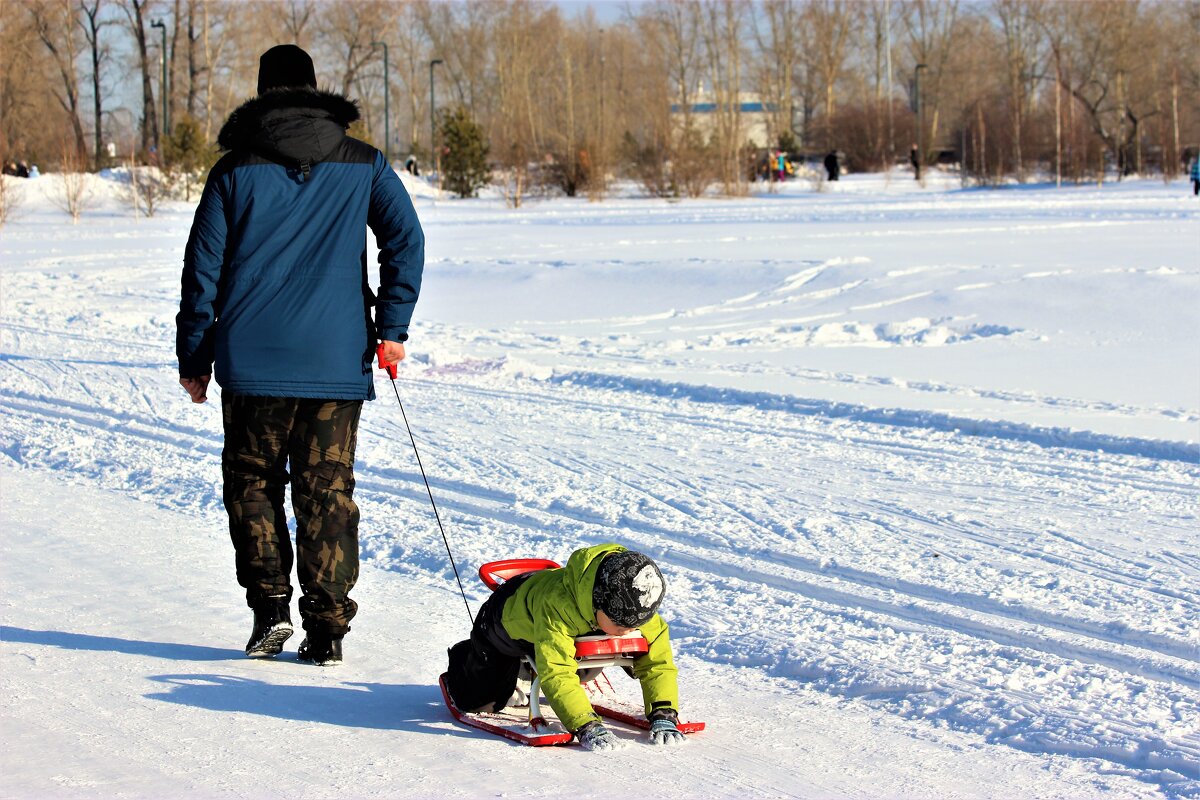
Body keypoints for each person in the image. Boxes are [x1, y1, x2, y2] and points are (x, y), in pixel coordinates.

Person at [176, 44, 424, 666]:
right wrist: (392, 326)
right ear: (316, 91)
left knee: (253, 485)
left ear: (263, 95)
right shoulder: (364, 162)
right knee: (327, 492)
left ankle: (269, 616)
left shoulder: (233, 170)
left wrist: (194, 356)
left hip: (251, 362)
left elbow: (201, 270)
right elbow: (406, 241)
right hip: (334, 362)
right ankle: (327, 632)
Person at [444, 543, 687, 751]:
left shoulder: (638, 603)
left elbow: (658, 663)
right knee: (480, 701)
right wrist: (587, 725)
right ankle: (467, 655)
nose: (630, 629)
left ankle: (525, 671)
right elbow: (558, 671)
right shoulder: (558, 607)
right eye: (620, 623)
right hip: (503, 621)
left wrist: (664, 714)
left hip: (561, 630)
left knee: (588, 666)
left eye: (637, 623)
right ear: (598, 602)